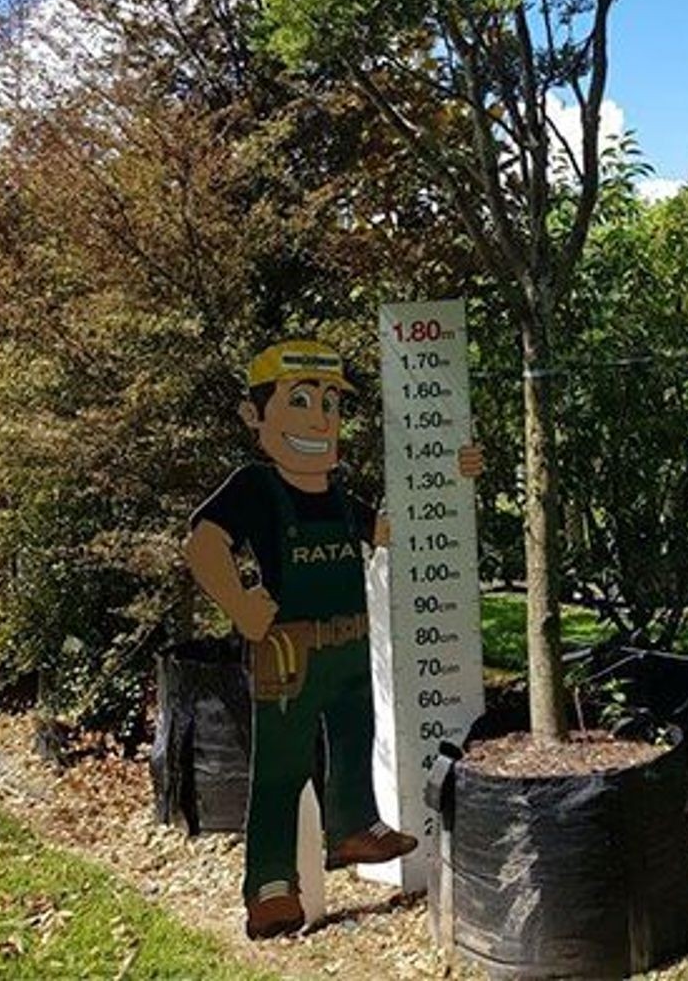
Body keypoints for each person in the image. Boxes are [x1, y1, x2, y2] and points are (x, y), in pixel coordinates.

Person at [184, 338, 481, 940]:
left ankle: (356, 826)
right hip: (289, 655)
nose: (321, 418)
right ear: (256, 416)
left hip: (348, 649)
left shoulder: (343, 495)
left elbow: (394, 529)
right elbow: (202, 544)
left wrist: (451, 477)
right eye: (300, 402)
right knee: (281, 769)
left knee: (354, 740)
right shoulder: (255, 488)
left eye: (330, 405)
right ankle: (270, 886)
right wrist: (242, 606)